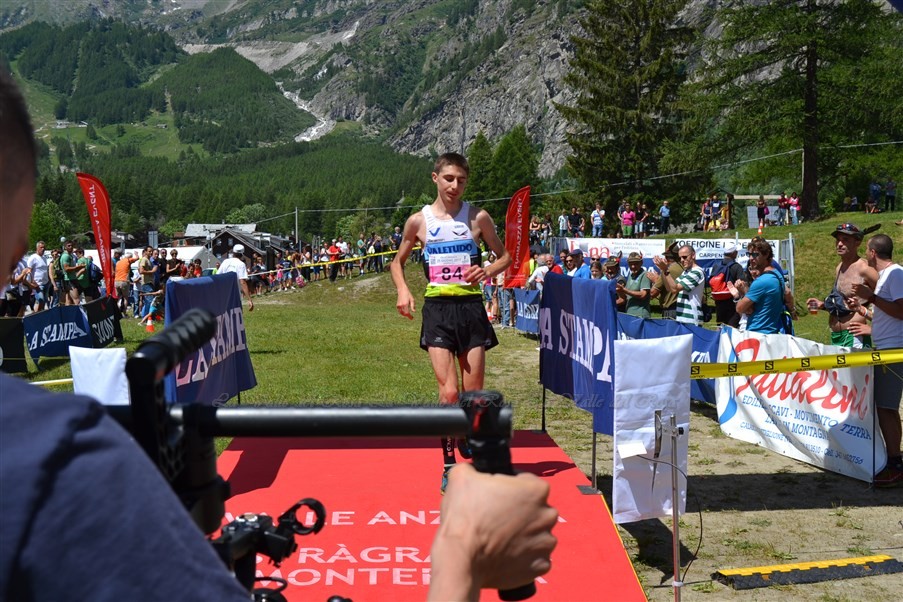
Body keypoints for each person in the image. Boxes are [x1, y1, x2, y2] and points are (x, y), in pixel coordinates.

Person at [390, 152, 511, 493]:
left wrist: (487, 270)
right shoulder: (419, 221)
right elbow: (397, 262)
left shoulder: (478, 217)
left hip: (471, 309)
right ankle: (448, 465)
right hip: (438, 311)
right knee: (449, 393)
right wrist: (403, 290)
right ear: (435, 178)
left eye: (461, 180)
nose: (455, 186)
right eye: (449, 178)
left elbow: (505, 256)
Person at [846, 234, 903, 488]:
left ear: (872, 253)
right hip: (886, 349)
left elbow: (901, 311)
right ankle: (894, 461)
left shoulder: (895, 275)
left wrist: (871, 297)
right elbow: (889, 314)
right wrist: (865, 307)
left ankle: (895, 464)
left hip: (894, 350)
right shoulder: (888, 277)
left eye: (866, 251)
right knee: (885, 407)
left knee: (887, 408)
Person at [805, 223, 877, 349]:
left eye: (845, 240)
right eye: (838, 240)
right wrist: (823, 305)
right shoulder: (839, 267)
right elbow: (844, 304)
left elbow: (890, 302)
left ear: (857, 242)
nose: (839, 244)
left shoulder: (865, 269)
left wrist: (874, 329)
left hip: (854, 336)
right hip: (836, 337)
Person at [729, 240, 787, 334]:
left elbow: (740, 308)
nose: (751, 258)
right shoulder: (776, 274)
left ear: (766, 254)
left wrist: (740, 293)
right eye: (749, 254)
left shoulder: (762, 281)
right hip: (771, 330)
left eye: (755, 255)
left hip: (757, 332)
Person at [653, 244, 705, 326]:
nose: (682, 260)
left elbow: (675, 289)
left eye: (684, 257)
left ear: (693, 255)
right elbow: (670, 289)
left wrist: (666, 270)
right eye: (680, 258)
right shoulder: (686, 272)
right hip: (682, 317)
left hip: (691, 319)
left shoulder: (697, 272)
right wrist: (663, 270)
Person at [710, 243, 745, 328]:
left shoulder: (716, 265)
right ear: (733, 253)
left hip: (718, 301)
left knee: (720, 327)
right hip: (732, 302)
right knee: (732, 328)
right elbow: (742, 284)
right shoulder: (737, 267)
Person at [649, 244, 682, 319]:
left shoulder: (666, 271)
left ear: (666, 258)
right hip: (684, 309)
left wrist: (655, 280)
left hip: (670, 310)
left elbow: (653, 293)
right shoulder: (685, 268)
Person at [218, 244, 254, 312]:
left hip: (223, 294)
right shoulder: (241, 264)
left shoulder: (225, 261)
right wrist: (249, 299)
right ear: (242, 254)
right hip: (235, 295)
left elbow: (218, 276)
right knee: (237, 316)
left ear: (233, 252)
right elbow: (242, 282)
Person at [618, 252, 651, 318]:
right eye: (631, 264)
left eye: (636, 264)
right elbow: (626, 297)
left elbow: (643, 294)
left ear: (641, 263)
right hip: (629, 313)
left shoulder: (644, 275)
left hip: (640, 315)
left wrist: (625, 290)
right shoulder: (631, 275)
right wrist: (619, 290)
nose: (633, 266)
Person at [25, 240, 50, 312]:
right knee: (40, 300)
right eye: (41, 247)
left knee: (43, 302)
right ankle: (36, 314)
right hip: (38, 284)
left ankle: (40, 314)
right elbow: (28, 271)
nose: (43, 249)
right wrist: (32, 282)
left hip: (46, 283)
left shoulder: (44, 258)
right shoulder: (33, 257)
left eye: (44, 247)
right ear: (37, 248)